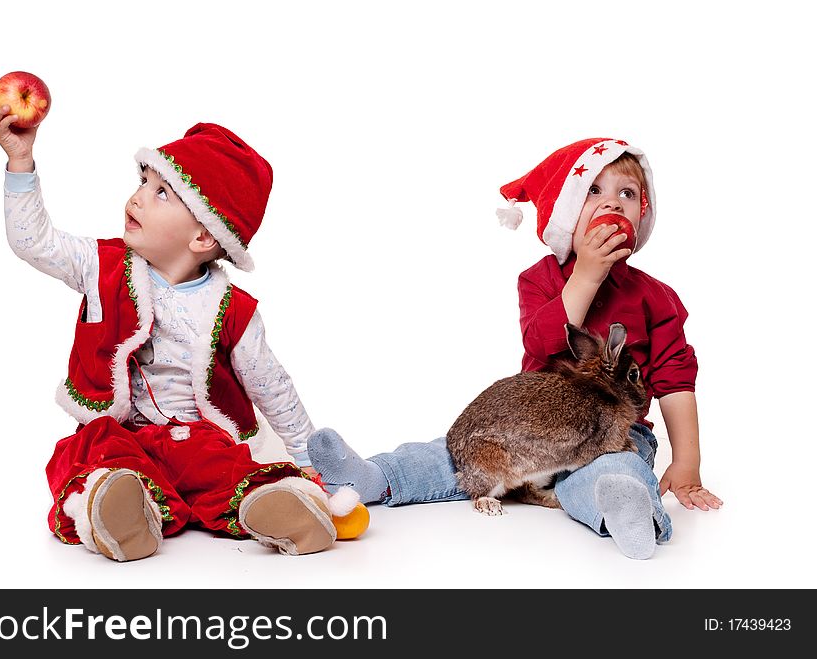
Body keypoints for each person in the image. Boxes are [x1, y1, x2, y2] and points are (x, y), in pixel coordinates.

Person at [307, 137, 722, 560]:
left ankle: (629, 513)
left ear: (643, 213)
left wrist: (686, 462)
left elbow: (675, 379)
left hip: (612, 435)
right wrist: (586, 277)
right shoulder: (538, 280)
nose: (612, 203)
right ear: (564, 210)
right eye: (592, 191)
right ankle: (371, 477)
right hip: (528, 427)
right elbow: (540, 343)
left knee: (613, 471)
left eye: (627, 194)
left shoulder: (657, 297)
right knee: (452, 453)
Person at [0, 98, 357, 561]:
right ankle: (119, 507)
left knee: (221, 464)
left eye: (161, 192)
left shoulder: (232, 311)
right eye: (143, 182)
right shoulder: (100, 266)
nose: (137, 196)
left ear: (203, 236)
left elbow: (272, 387)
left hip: (193, 437)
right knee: (88, 450)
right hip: (121, 432)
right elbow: (32, 242)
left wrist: (309, 460)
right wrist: (20, 161)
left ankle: (273, 506)